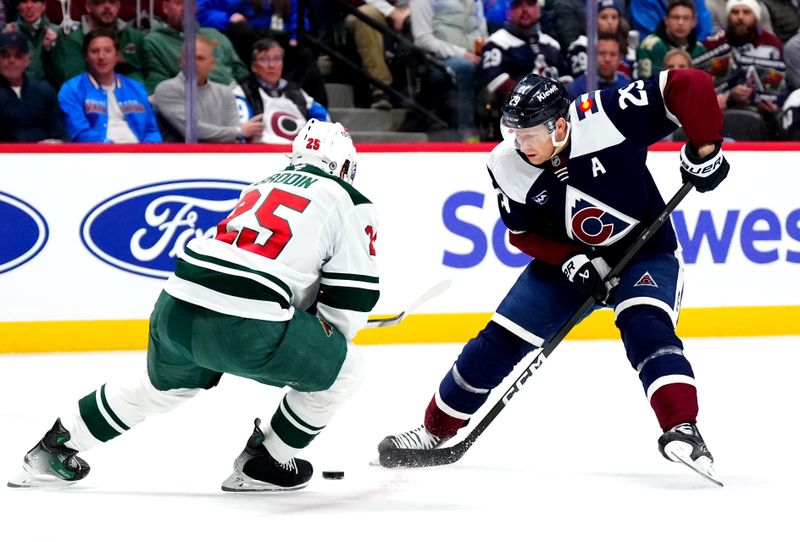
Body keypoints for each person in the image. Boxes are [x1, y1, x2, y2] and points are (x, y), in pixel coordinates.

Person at [378, 70, 730, 485]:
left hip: (644, 253)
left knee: (645, 327)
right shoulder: (505, 163)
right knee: (497, 343)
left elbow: (689, 84)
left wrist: (705, 149)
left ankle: (682, 428)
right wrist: (569, 260)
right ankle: (434, 430)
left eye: (530, 135)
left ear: (560, 124)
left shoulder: (605, 114)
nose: (521, 145)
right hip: (568, 263)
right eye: (515, 134)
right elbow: (522, 233)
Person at [8, 118, 379, 492]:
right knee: (346, 371)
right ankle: (265, 461)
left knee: (158, 388)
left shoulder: (262, 184)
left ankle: (54, 446)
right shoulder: (347, 198)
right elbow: (351, 300)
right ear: (344, 164)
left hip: (177, 304)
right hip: (246, 324)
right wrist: (329, 336)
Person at [695, 0, 786, 135]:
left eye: (746, 12)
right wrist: (728, 94)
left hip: (762, 114)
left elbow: (780, 85)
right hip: (720, 111)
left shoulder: (772, 43)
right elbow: (703, 83)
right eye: (735, 12)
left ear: (756, 17)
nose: (740, 17)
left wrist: (770, 102)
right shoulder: (715, 43)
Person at [58, 27, 160, 142]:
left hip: (140, 154)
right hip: (98, 156)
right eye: (95, 51)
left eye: (108, 50)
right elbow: (80, 133)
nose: (101, 56)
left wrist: (146, 153)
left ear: (117, 56)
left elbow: (151, 131)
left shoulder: (136, 88)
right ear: (86, 56)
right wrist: (114, 150)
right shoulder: (72, 90)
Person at [154, 36, 263, 142]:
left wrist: (240, 131)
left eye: (200, 58)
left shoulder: (225, 92)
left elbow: (232, 135)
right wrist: (239, 131)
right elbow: (193, 131)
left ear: (212, 64)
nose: (193, 63)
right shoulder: (167, 89)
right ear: (180, 61)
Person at [409, 0, 488, 140]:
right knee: (465, 67)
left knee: (502, 61)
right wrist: (462, 53)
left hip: (474, 56)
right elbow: (423, 39)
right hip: (437, 60)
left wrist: (487, 51)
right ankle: (466, 130)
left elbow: (482, 33)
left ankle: (506, 128)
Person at [233, 38, 329, 143]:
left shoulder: (296, 91)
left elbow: (323, 119)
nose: (272, 65)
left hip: (300, 153)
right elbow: (245, 130)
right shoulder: (243, 91)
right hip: (262, 153)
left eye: (277, 59)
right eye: (265, 60)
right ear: (254, 66)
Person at [143, 0, 250, 95]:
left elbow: (241, 71)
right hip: (194, 102)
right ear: (166, 7)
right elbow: (158, 85)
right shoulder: (154, 41)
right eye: (179, 3)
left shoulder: (214, 34)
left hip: (237, 96)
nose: (185, 9)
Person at [45, 0, 145, 89]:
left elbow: (148, 72)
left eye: (112, 2)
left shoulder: (133, 36)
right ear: (88, 6)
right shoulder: (75, 40)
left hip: (133, 97)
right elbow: (76, 83)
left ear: (118, 5)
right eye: (100, 2)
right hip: (92, 100)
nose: (107, 7)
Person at [0, 30, 65, 141]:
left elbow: (59, 132)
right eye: (6, 56)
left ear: (27, 60)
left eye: (18, 56)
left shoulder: (44, 91)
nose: (11, 60)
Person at [637, 0, 706, 78]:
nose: (680, 23)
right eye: (675, 17)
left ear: (694, 22)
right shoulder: (649, 46)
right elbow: (645, 83)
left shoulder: (699, 48)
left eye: (686, 18)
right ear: (666, 21)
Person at [3, 0, 59, 81]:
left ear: (43, 6)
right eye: (24, 1)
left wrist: (49, 49)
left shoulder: (56, 32)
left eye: (34, 1)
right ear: (18, 6)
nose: (29, 6)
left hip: (48, 89)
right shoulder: (8, 32)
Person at [566, 33, 631, 98]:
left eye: (613, 54)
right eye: (602, 53)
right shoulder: (575, 89)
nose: (607, 59)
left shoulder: (627, 85)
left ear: (620, 58)